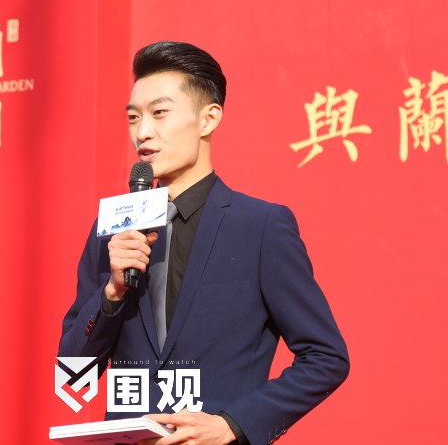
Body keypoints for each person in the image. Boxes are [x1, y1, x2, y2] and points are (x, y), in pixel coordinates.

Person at [58, 41, 349, 445]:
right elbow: (74, 373)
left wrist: (233, 424)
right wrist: (111, 293)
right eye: (133, 117)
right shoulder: (112, 232)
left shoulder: (260, 227)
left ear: (208, 118)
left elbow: (326, 357)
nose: (142, 132)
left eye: (159, 113)